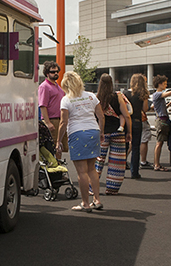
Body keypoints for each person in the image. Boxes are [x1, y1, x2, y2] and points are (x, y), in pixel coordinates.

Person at [56, 71, 105, 212]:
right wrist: (101, 132)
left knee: (81, 171)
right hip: (93, 131)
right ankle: (97, 200)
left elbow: (63, 122)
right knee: (92, 169)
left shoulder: (66, 100)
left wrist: (58, 140)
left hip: (77, 133)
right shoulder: (91, 96)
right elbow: (101, 116)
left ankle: (85, 203)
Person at [95, 74, 131, 195]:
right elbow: (126, 115)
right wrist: (129, 131)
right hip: (118, 132)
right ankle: (112, 188)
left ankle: (92, 188)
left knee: (98, 161)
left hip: (102, 133)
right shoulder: (118, 96)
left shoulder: (96, 98)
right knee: (117, 162)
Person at [125, 73, 151, 179]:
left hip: (127, 121)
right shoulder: (142, 94)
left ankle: (120, 171)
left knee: (125, 147)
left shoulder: (125, 93)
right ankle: (134, 172)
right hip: (137, 121)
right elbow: (145, 109)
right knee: (135, 147)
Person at [38, 61, 67, 152]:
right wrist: (48, 122)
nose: (55, 73)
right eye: (52, 72)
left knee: (60, 147)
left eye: (57, 71)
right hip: (52, 120)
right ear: (47, 73)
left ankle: (58, 164)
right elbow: (43, 105)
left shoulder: (57, 86)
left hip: (60, 120)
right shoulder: (44, 86)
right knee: (53, 147)